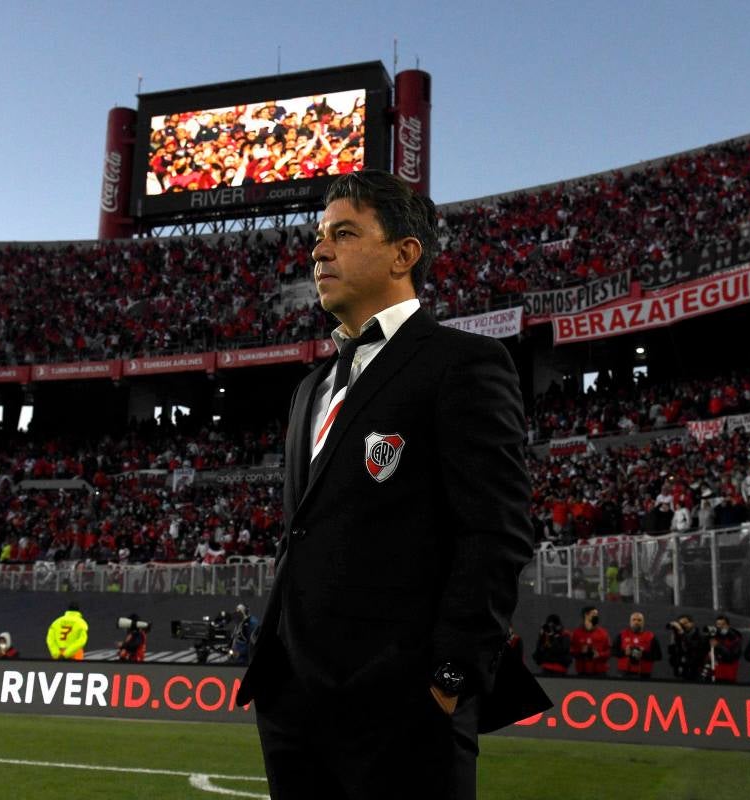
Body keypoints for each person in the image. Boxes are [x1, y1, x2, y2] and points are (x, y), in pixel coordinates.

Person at [236, 170, 549, 800]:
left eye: (343, 233)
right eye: (319, 236)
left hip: (401, 698)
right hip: (293, 696)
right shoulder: (309, 389)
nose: (319, 251)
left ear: (405, 253)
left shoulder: (463, 363)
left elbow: (496, 528)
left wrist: (449, 672)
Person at [613, 611, 662, 679]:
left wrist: (643, 654)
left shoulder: (651, 637)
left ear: (643, 622)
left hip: (644, 674)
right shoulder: (622, 635)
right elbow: (613, 652)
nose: (636, 622)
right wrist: (625, 652)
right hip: (624, 673)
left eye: (639, 620)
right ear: (630, 622)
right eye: (634, 620)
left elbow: (658, 656)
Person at [569, 605, 611, 677]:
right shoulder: (577, 633)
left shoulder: (603, 633)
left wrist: (599, 654)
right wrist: (581, 651)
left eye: (597, 615)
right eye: (594, 614)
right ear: (586, 615)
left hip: (600, 672)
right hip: (582, 671)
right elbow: (571, 650)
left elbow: (609, 651)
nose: (596, 617)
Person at [668, 614, 708, 681]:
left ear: (692, 623)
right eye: (680, 624)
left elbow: (692, 646)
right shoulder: (679, 636)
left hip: (695, 670)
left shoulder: (700, 636)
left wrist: (681, 632)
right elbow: (672, 652)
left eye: (685, 623)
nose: (682, 625)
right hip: (681, 669)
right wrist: (673, 638)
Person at [708, 615, 744, 683]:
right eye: (718, 624)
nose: (720, 627)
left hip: (729, 673)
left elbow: (732, 656)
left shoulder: (735, 637)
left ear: (728, 625)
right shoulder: (715, 636)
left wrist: (718, 645)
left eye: (723, 624)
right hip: (716, 673)